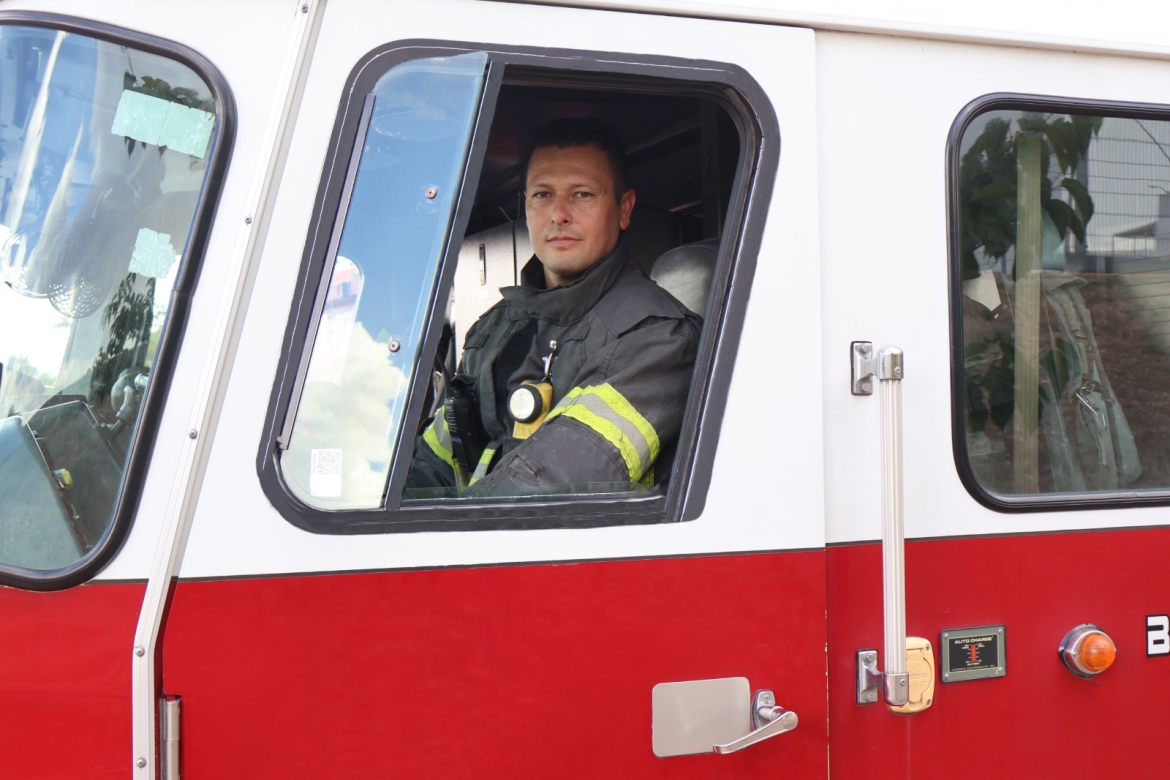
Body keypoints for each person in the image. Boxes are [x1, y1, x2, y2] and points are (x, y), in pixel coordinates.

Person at [406, 118, 702, 494]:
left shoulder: (659, 340)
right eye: (543, 194)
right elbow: (431, 464)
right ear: (526, 206)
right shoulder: (493, 329)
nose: (558, 213)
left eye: (583, 194)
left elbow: (538, 493)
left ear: (624, 209)